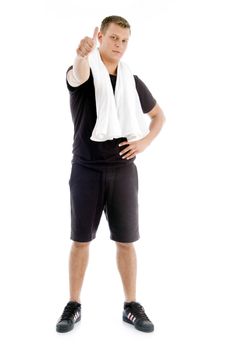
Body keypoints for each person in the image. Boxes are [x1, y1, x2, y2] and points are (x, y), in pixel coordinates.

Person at [56, 15, 165, 334]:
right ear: (100, 37)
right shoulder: (85, 72)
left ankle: (131, 306)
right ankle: (73, 304)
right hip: (86, 169)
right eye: (114, 38)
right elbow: (77, 73)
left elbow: (159, 115)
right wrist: (80, 53)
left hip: (123, 171)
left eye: (125, 40)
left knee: (127, 241)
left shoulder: (131, 79)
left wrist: (143, 142)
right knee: (80, 240)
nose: (119, 45)